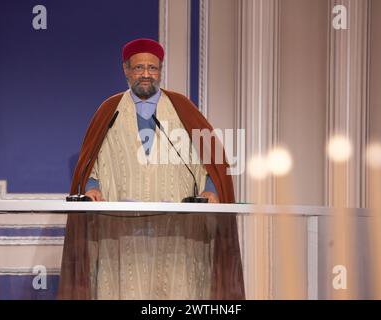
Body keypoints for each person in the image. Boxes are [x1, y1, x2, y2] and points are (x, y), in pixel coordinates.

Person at [58, 38, 245, 300]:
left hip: (178, 233)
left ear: (160, 70)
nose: (146, 74)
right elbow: (92, 164)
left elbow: (213, 160)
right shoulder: (109, 111)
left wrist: (211, 190)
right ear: (125, 69)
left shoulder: (182, 109)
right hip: (121, 236)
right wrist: (92, 188)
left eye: (152, 68)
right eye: (138, 68)